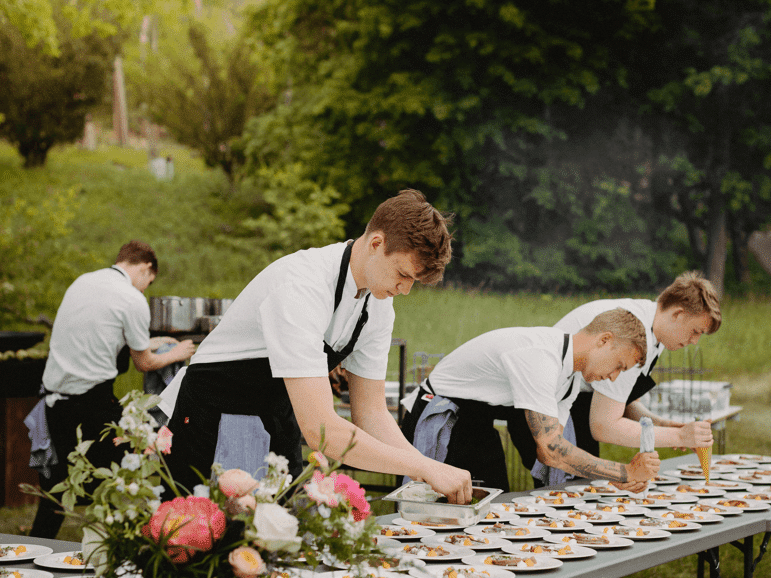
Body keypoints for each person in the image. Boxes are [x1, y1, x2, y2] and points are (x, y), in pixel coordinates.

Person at [162, 189, 473, 504]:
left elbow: (373, 414)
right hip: (211, 422)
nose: (405, 290)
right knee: (202, 538)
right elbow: (320, 429)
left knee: (276, 543)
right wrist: (421, 466)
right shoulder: (301, 286)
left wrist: (429, 467)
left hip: (275, 425)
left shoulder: (377, 307)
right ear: (377, 244)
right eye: (403, 275)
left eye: (414, 282)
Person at [30, 240, 196, 539]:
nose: (145, 288)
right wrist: (178, 350)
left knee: (56, 489)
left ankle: (35, 549)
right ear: (146, 268)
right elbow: (144, 363)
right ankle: (135, 547)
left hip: (54, 402)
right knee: (126, 480)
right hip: (91, 403)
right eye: (149, 281)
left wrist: (150, 343)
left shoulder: (84, 282)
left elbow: (98, 335)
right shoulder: (131, 299)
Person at [400, 308, 661, 492]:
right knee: (443, 513)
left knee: (494, 502)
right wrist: (622, 472)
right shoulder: (540, 356)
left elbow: (549, 453)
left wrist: (616, 477)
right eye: (618, 365)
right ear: (604, 340)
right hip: (441, 413)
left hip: (476, 419)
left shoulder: (569, 379)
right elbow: (552, 449)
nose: (614, 378)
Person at [551, 271, 722, 467]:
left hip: (574, 404)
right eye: (695, 331)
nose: (695, 341)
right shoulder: (631, 336)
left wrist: (662, 425)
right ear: (678, 314)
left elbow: (619, 401)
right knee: (568, 491)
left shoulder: (653, 332)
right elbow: (604, 425)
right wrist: (679, 436)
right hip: (545, 405)